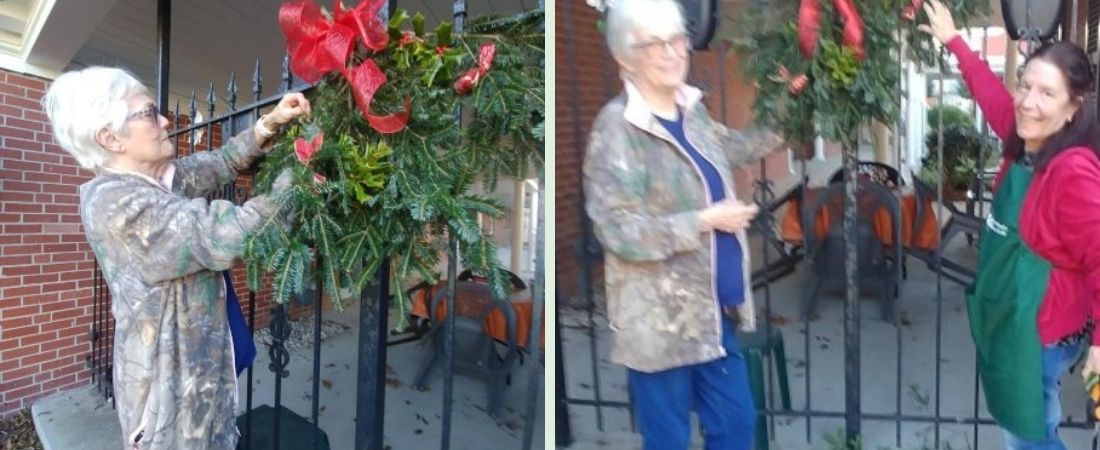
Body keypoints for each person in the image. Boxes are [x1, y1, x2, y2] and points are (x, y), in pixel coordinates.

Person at [42, 66, 310, 450]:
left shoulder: (153, 180)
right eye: (149, 113)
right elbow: (233, 232)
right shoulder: (119, 205)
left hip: (200, 377)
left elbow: (219, 163)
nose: (166, 120)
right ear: (111, 137)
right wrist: (306, 165)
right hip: (170, 407)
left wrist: (269, 124)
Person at [582, 1, 785, 448]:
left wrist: (789, 103)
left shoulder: (691, 112)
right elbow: (617, 230)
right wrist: (702, 221)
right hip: (660, 326)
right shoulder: (617, 130)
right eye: (654, 43)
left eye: (677, 38)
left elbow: (736, 147)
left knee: (735, 426)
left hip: (713, 317)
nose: (672, 52)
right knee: (669, 440)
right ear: (623, 55)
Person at [921, 1, 1100, 447]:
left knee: (1029, 438)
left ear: (1073, 108)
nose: (1028, 102)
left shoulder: (1072, 170)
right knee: (1024, 430)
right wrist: (954, 41)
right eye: (1026, 86)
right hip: (1015, 315)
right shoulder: (1024, 140)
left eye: (1047, 93)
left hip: (1042, 331)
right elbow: (992, 96)